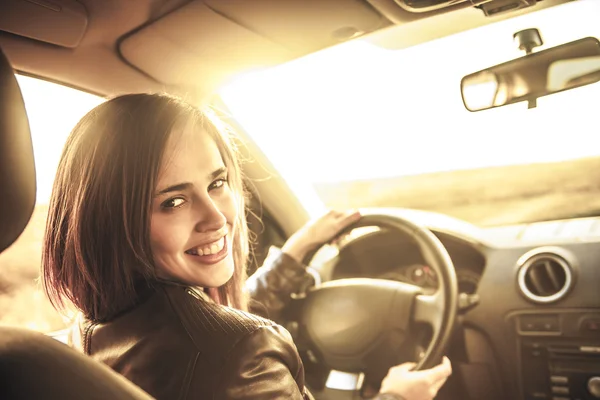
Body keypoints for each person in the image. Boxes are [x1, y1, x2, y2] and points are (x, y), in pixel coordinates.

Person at [42, 93, 452, 400]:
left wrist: (294, 254)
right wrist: (397, 396)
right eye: (173, 202)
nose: (217, 218)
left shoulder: (91, 329)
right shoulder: (244, 355)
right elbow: (222, 343)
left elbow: (203, 331)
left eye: (217, 183)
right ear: (109, 221)